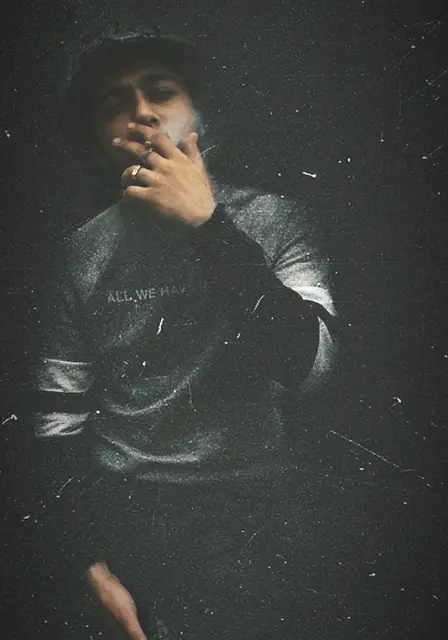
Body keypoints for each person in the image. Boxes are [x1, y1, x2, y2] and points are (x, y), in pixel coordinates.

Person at [27, 21, 339, 640]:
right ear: (98, 146)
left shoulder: (277, 221)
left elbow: (313, 371)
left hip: (259, 507)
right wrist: (88, 567)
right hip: (129, 511)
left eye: (162, 92)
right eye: (115, 103)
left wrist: (208, 226)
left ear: (203, 118)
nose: (142, 113)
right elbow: (55, 424)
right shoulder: (79, 254)